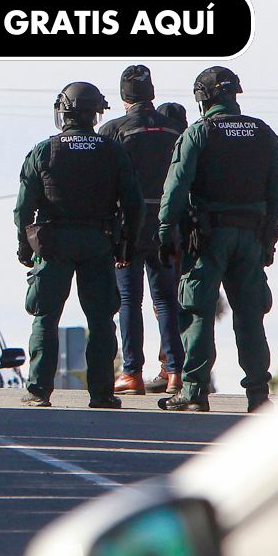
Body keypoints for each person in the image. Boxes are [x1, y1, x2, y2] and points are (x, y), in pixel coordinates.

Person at [157, 67, 278, 413]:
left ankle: (194, 391)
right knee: (250, 316)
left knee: (198, 309)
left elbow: (176, 188)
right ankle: (259, 394)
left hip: (208, 237)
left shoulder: (199, 134)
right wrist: (268, 234)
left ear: (202, 98)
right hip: (252, 236)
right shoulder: (263, 133)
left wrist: (165, 231)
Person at [15, 81, 144, 408]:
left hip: (54, 243)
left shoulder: (45, 150)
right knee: (101, 319)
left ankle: (38, 391)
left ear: (65, 111)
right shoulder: (112, 150)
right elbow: (134, 204)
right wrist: (128, 243)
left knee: (45, 316)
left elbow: (23, 208)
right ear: (95, 114)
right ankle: (102, 394)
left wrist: (24, 247)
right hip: (99, 242)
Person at [98, 66, 186, 397]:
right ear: (151, 93)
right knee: (166, 300)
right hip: (167, 224)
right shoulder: (175, 130)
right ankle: (175, 372)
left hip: (127, 226)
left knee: (128, 300)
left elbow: (103, 182)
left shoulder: (114, 130)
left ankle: (132, 373)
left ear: (124, 97)